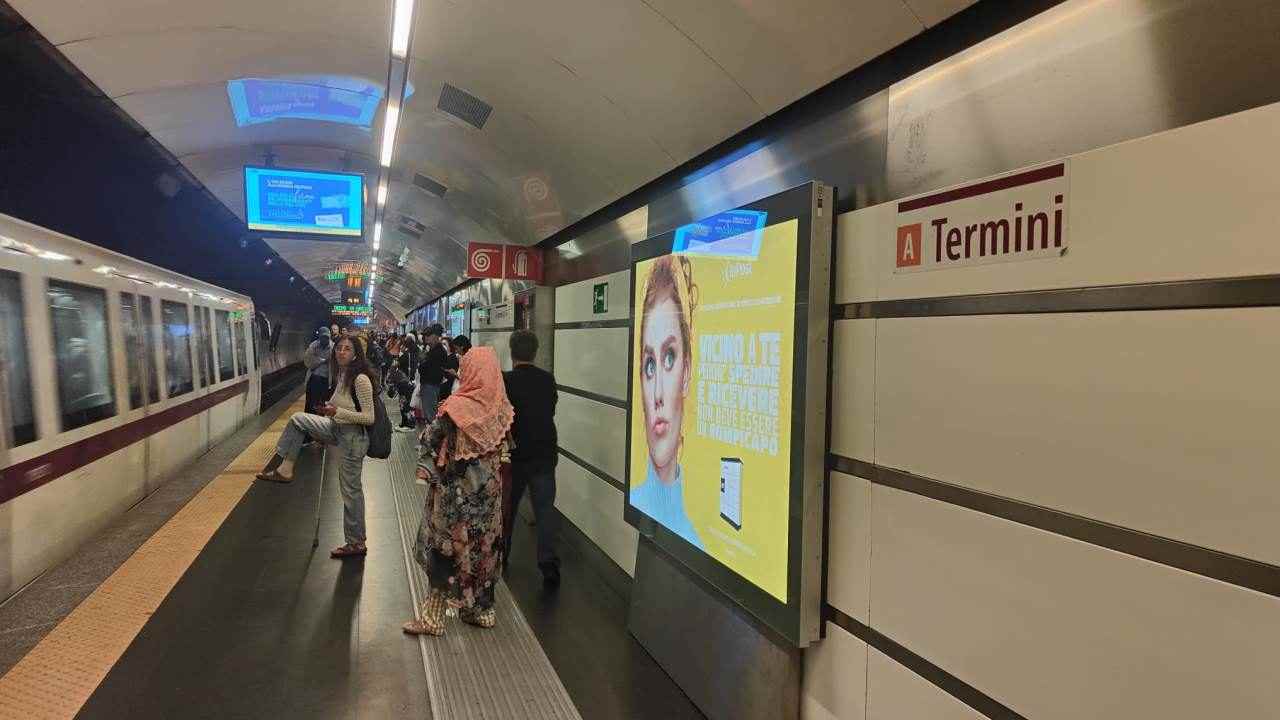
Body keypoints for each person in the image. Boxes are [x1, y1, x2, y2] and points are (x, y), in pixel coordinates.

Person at [402, 347, 513, 636]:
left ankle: (433, 618)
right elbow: (507, 448)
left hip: (456, 496)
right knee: (484, 551)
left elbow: (429, 438)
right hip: (488, 497)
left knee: (445, 549)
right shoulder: (501, 408)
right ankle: (481, 611)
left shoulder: (456, 408)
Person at [255, 335, 378, 559]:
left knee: (350, 492)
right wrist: (329, 408)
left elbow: (369, 417)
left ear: (356, 354)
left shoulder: (360, 379)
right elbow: (338, 404)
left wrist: (337, 412)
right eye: (339, 348)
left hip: (353, 439)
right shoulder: (343, 375)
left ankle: (356, 542)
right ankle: (285, 468)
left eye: (347, 349)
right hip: (336, 427)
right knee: (298, 420)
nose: (341, 352)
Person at [630, 255, 702, 549]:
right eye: (649, 365)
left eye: (669, 358)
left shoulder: (696, 540)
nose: (658, 392)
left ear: (686, 373)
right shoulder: (634, 500)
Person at [502, 330, 560, 586]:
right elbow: (551, 409)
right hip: (545, 454)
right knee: (545, 511)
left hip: (515, 457)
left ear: (512, 352)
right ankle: (548, 565)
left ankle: (501, 556)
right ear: (535, 352)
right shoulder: (548, 380)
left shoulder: (506, 381)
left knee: (507, 510)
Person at [417, 324, 447, 428]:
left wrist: (422, 362)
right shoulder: (433, 350)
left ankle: (433, 440)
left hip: (431, 386)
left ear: (434, 336)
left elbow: (425, 369)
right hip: (429, 385)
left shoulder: (438, 351)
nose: (425, 338)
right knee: (429, 414)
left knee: (431, 416)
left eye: (427, 336)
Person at [302, 326, 332, 414]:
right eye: (323, 337)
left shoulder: (333, 347)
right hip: (313, 378)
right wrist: (324, 360)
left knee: (323, 403)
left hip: (326, 380)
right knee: (310, 403)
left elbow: (334, 364)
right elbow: (309, 362)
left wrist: (318, 360)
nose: (325, 340)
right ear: (319, 337)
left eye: (327, 337)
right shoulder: (313, 346)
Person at [440, 335, 470, 401]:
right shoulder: (461, 358)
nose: (456, 351)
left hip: (459, 393)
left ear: (462, 347)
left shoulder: (465, 359)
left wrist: (455, 374)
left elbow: (468, 378)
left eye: (456, 348)